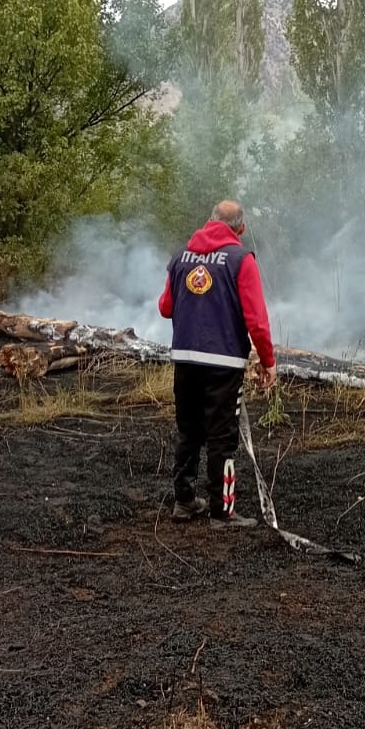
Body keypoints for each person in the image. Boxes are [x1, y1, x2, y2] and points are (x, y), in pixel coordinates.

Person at [158, 200, 277, 528]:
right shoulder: (241, 259)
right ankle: (222, 513)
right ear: (240, 228)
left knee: (188, 431)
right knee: (222, 436)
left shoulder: (181, 257)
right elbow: (257, 320)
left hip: (184, 358)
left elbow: (165, 307)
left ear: (209, 222)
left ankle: (184, 501)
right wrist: (268, 361)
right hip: (223, 362)